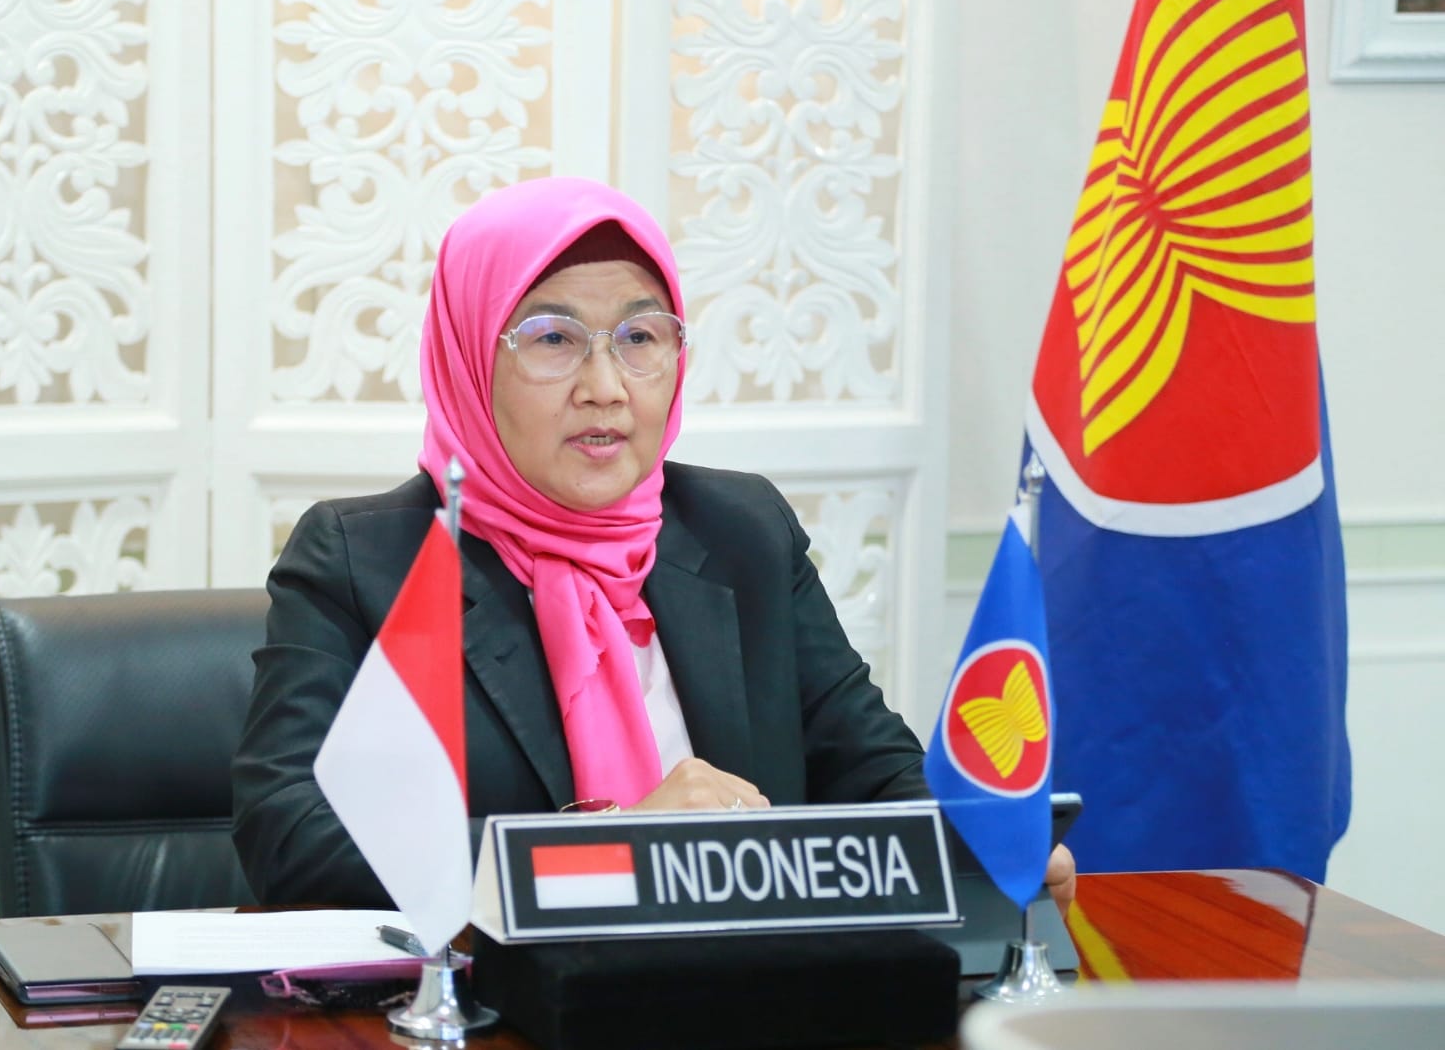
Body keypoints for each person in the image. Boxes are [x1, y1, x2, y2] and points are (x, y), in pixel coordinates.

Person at [231, 176, 1074, 910]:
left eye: (639, 339)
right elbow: (291, 838)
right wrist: (614, 845)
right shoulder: (365, 562)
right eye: (552, 339)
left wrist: (976, 847)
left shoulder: (740, 530)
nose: (605, 388)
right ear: (466, 360)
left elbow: (870, 765)